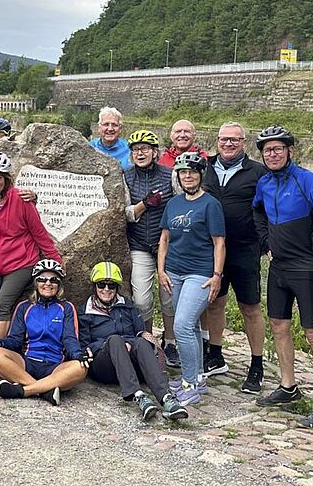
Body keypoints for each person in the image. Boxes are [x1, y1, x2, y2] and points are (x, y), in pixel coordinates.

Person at [252, 125, 313, 430]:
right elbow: (257, 212)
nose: (272, 154)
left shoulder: (306, 179)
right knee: (279, 326)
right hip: (278, 267)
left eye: (278, 149)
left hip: (305, 268)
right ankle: (288, 386)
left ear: (290, 151)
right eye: (267, 150)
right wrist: (266, 243)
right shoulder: (265, 182)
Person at [0, 150, 63, 388]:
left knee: (2, 303)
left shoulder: (20, 200)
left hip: (21, 262)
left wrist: (55, 260)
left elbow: (38, 232)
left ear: (6, 179)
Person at [201, 122, 268, 393]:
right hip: (212, 248)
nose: (228, 144)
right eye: (224, 139)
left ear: (244, 142)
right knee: (214, 303)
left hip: (244, 248)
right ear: (217, 141)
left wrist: (265, 242)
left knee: (250, 307)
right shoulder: (205, 167)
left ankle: (257, 365)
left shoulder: (258, 172)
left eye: (234, 140)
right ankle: (216, 355)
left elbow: (267, 208)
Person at [79, 262, 188, 421]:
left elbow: (140, 332)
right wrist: (108, 344)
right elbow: (84, 344)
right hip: (104, 366)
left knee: (141, 342)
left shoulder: (127, 306)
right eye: (101, 285)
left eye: (111, 285)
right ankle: (139, 396)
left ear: (117, 288)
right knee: (114, 340)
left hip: (129, 361)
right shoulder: (85, 312)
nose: (106, 289)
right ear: (94, 287)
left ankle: (166, 398)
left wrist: (129, 343)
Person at [157, 152, 226, 406]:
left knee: (182, 325)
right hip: (174, 271)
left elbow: (219, 243)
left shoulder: (211, 204)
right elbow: (165, 239)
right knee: (192, 326)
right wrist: (161, 270)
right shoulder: (173, 203)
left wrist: (217, 275)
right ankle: (197, 377)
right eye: (183, 173)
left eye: (192, 172)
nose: (187, 176)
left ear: (200, 175)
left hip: (200, 272)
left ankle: (189, 384)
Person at [0, 259, 89, 406]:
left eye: (54, 280)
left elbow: (70, 338)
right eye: (42, 279)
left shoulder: (66, 307)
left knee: (81, 367)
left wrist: (78, 355)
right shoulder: (24, 307)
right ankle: (45, 390)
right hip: (27, 362)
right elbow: (15, 339)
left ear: (59, 285)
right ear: (36, 283)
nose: (48, 283)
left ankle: (25, 390)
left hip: (55, 365)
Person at [122, 130, 180, 368]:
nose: (140, 153)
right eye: (136, 150)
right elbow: (125, 213)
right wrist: (144, 204)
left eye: (145, 149)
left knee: (169, 298)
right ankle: (147, 340)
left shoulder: (170, 174)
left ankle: (171, 341)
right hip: (139, 244)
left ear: (155, 152)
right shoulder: (125, 176)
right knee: (142, 300)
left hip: (168, 244)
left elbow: (181, 203)